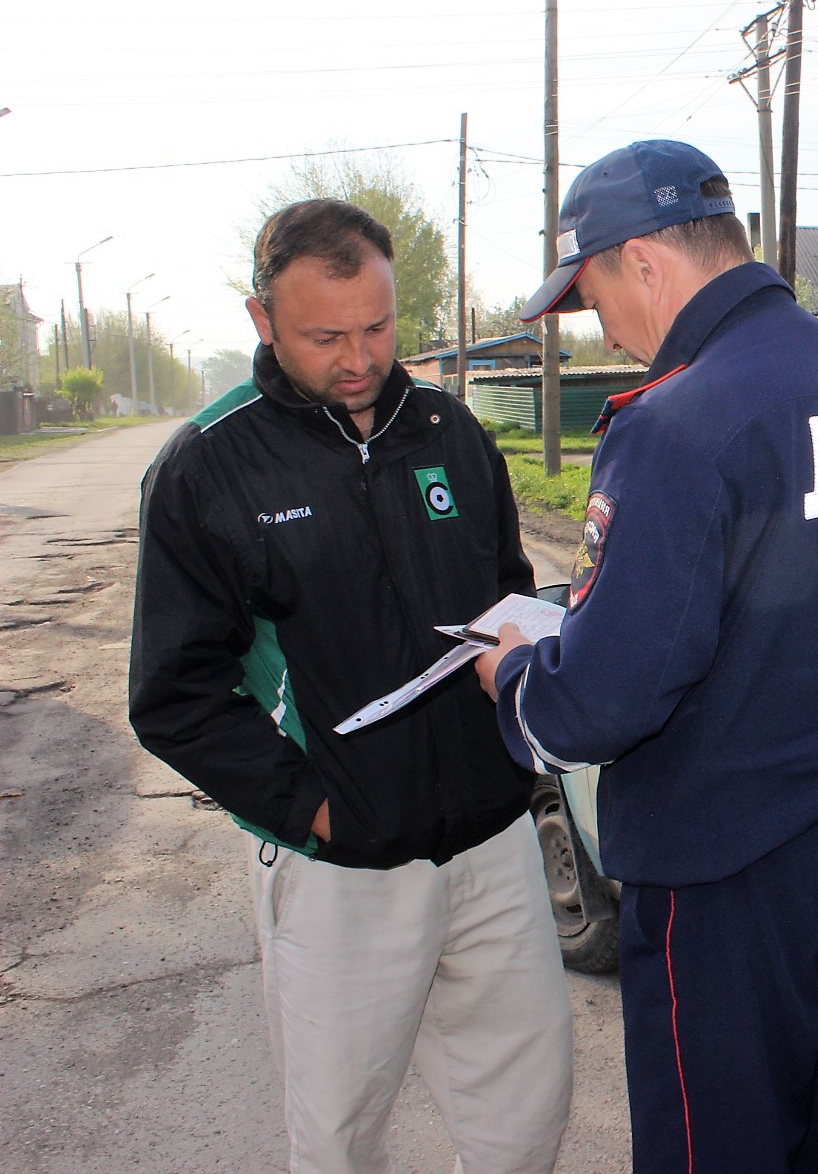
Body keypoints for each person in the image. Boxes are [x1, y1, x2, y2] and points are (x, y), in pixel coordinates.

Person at [474, 140, 818, 1174]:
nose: (599, 325)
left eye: (593, 293)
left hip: (729, 882)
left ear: (643, 262)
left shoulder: (676, 423)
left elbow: (597, 703)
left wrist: (517, 667)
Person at [128, 199, 573, 1174]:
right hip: (341, 866)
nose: (359, 356)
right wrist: (312, 809)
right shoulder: (207, 467)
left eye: (377, 326)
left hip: (494, 843)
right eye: (325, 335)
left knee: (527, 1112)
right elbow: (174, 691)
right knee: (340, 1137)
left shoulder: (453, 432)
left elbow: (505, 588)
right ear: (262, 321)